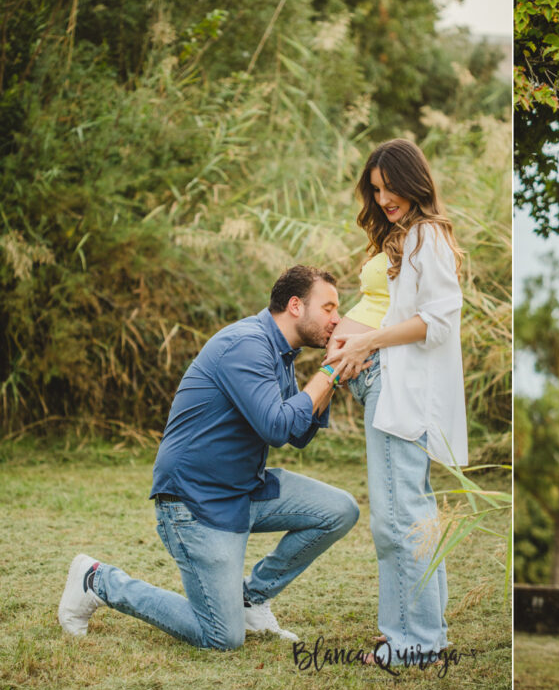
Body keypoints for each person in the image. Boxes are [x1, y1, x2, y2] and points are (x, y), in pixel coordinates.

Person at [58, 266, 361, 649]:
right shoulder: (247, 345)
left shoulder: (280, 353)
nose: (337, 319)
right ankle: (97, 580)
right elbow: (277, 428)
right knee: (221, 637)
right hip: (195, 501)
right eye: (330, 307)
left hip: (245, 489)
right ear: (296, 306)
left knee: (340, 510)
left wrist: (332, 377)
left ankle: (252, 598)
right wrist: (330, 370)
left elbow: (298, 434)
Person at [325, 138, 467, 667]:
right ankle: (414, 631)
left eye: (390, 187)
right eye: (376, 189)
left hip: (398, 387)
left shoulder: (427, 235)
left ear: (415, 181)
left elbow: (438, 319)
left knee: (398, 516)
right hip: (382, 383)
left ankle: (417, 644)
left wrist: (365, 342)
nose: (383, 199)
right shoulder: (404, 236)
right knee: (408, 512)